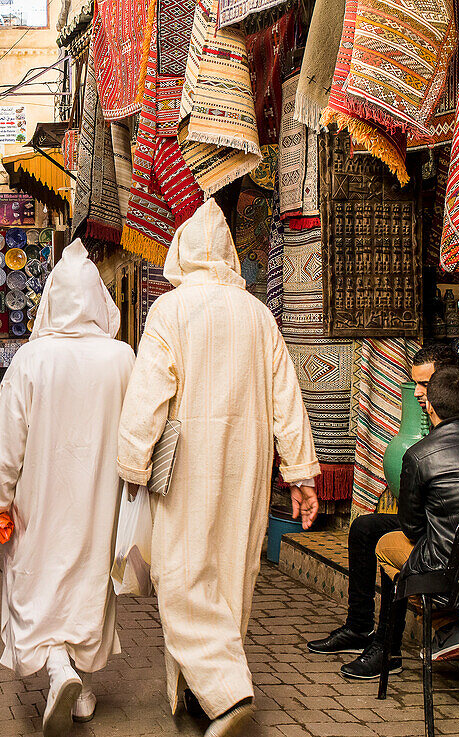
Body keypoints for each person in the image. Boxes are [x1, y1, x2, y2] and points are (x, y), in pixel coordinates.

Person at [116, 200, 320, 737]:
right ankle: (199, 689)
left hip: (186, 463)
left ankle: (228, 695)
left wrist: (132, 460)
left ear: (180, 251)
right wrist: (299, 472)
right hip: (248, 462)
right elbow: (287, 398)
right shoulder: (259, 314)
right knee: (231, 572)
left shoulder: (170, 311)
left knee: (180, 575)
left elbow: (148, 395)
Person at [0, 240, 134, 737]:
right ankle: (76, 682)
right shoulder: (123, 359)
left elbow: (6, 442)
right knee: (87, 588)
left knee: (37, 585)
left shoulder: (31, 360)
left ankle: (60, 670)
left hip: (38, 506)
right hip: (101, 507)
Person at [307, 345, 459, 678]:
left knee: (393, 545)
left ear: (450, 384)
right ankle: (361, 628)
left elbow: (426, 524)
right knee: (365, 527)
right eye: (416, 385)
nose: (419, 394)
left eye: (426, 386)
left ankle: (396, 645)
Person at [371, 367, 459, 670]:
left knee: (385, 545)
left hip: (454, 577)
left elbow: (412, 527)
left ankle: (446, 626)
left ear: (431, 408)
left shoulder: (420, 454)